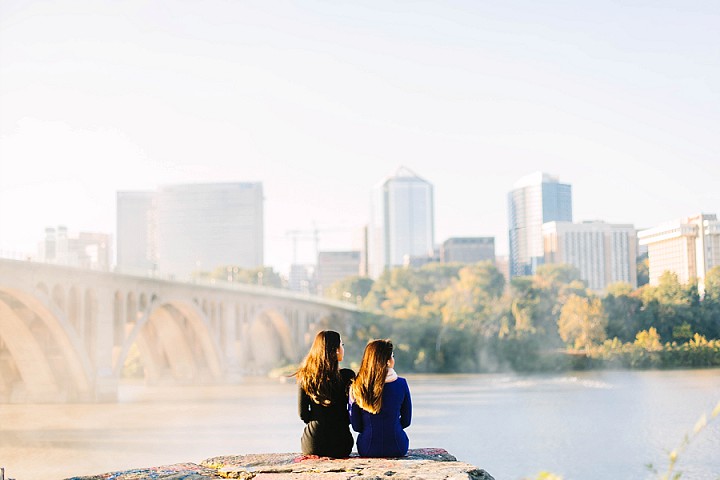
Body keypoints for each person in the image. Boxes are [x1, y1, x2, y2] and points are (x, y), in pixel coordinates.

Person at [295, 330, 355, 458]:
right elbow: (353, 410)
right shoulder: (347, 376)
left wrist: (319, 421)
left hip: (313, 443)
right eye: (342, 345)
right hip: (341, 443)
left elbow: (303, 414)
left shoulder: (306, 377)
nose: (343, 348)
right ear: (336, 350)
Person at [350, 339, 412, 457]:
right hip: (397, 446)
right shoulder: (401, 384)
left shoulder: (357, 385)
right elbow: (406, 421)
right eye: (392, 356)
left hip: (368, 448)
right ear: (388, 361)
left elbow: (356, 426)